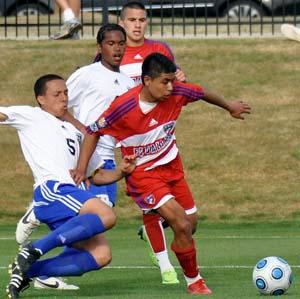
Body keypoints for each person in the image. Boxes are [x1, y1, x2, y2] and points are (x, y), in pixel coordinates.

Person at [71, 53, 251, 295]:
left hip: (173, 169)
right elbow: (93, 131)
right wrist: (82, 169)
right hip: (143, 174)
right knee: (182, 224)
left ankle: (154, 226)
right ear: (147, 80)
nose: (170, 87)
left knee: (190, 224)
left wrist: (230, 106)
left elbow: (201, 92)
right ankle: (194, 281)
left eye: (172, 81)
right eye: (164, 82)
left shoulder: (177, 92)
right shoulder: (123, 106)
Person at [15, 23, 135, 290]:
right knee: (103, 216)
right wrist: (80, 133)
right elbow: (54, 102)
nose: (117, 48)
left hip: (96, 164)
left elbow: (111, 135)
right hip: (65, 178)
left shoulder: (127, 83)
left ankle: (33, 273)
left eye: (120, 43)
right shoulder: (84, 77)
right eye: (111, 43)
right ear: (99, 47)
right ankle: (35, 241)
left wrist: (122, 169)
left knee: (100, 249)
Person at [117, 1, 186, 284]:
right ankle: (165, 266)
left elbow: (176, 81)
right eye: (131, 19)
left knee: (187, 219)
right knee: (149, 205)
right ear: (122, 23)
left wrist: (180, 77)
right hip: (133, 139)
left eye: (141, 20)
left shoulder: (160, 49)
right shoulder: (114, 53)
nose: (137, 24)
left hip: (160, 137)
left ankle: (152, 231)